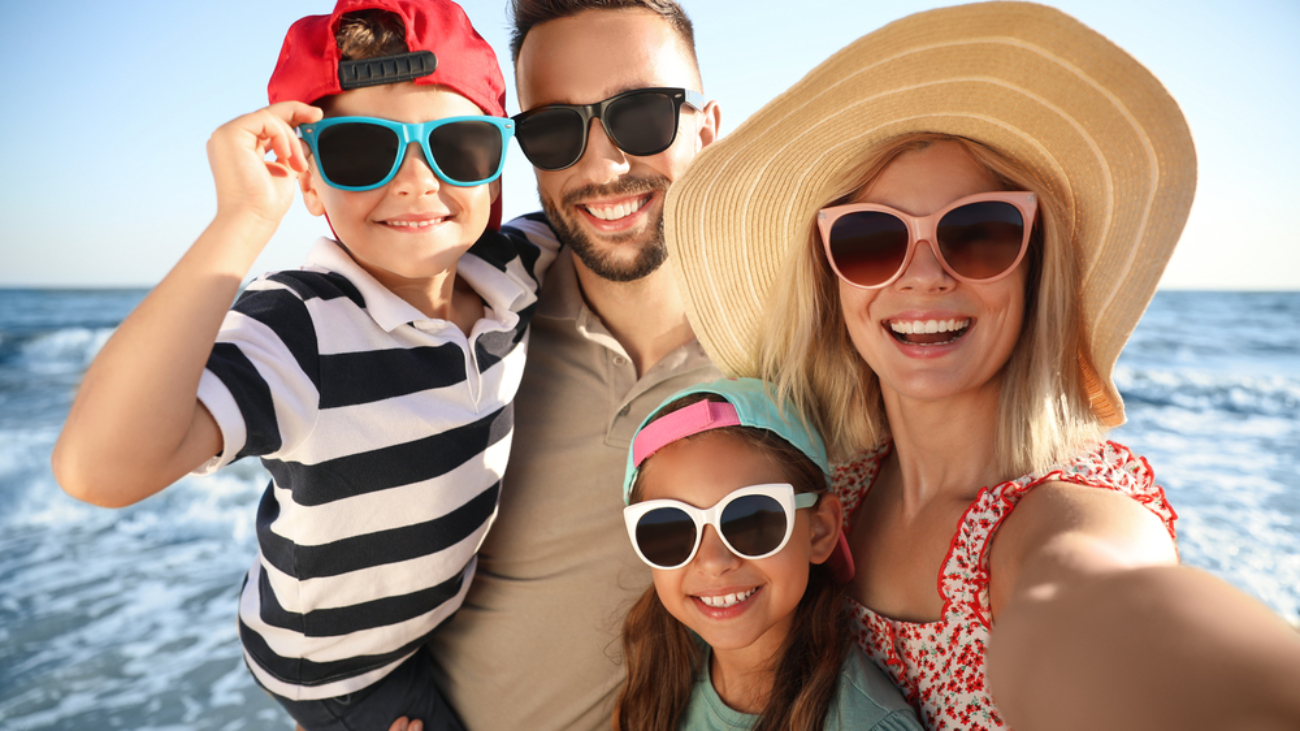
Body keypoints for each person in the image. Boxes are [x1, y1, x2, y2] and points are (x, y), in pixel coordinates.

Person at [664, 3, 1300, 730]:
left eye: (979, 232)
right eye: (873, 239)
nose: (925, 276)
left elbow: (1106, 610)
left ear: (1033, 267)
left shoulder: (1064, 517)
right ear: (831, 278)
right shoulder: (829, 490)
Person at [51, 1, 555, 729]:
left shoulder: (516, 268)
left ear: (497, 160)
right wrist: (242, 220)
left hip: (426, 621)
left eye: (459, 145)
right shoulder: (299, 327)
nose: (416, 180)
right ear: (310, 181)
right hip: (340, 669)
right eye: (361, 151)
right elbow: (99, 468)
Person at [419, 2, 725, 731]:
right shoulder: (468, 330)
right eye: (555, 130)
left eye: (643, 115)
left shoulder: (800, 337)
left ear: (707, 130)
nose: (605, 166)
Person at [615, 377, 922, 731]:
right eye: (670, 527)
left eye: (751, 519)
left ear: (819, 530)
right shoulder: (662, 675)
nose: (714, 561)